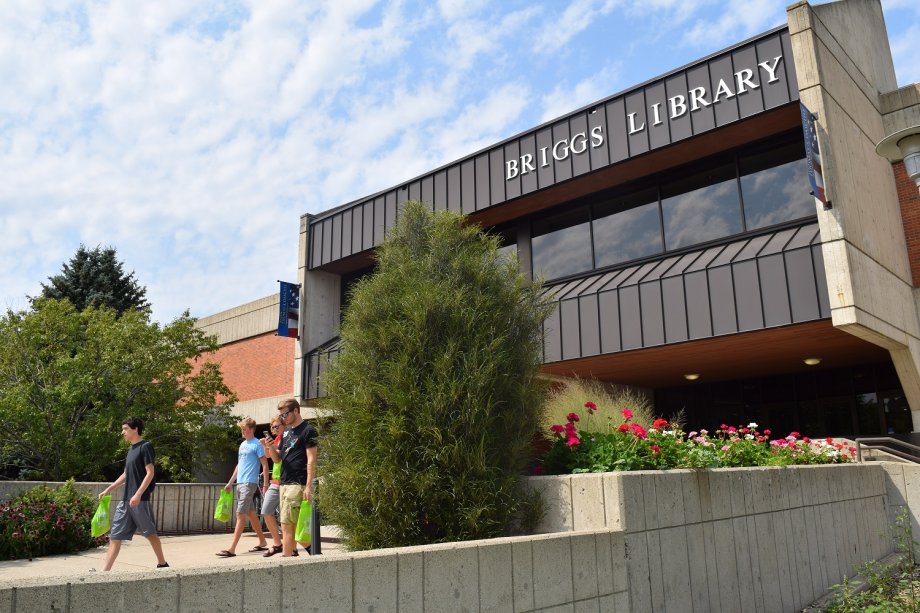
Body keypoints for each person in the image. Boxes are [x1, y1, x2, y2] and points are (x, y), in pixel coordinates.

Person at [98, 417, 169, 571]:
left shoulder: (146, 446)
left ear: (135, 429)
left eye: (125, 429)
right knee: (115, 536)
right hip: (125, 501)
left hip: (139, 500)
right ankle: (105, 571)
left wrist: (137, 494)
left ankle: (162, 563)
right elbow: (125, 474)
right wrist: (108, 489)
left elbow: (150, 472)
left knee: (150, 533)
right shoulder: (130, 450)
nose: (122, 432)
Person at [264, 398, 318, 557]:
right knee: (292, 528)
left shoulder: (308, 430)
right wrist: (271, 446)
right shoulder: (286, 431)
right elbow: (277, 458)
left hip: (297, 483)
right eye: (281, 415)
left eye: (285, 414)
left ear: (296, 411)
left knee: (287, 525)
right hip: (284, 483)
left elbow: (311, 459)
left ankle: (285, 562)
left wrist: (308, 486)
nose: (283, 418)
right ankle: (315, 553)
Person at [216, 417, 270, 557]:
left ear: (251, 429)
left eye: (244, 429)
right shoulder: (242, 444)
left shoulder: (257, 444)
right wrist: (230, 482)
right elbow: (239, 465)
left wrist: (265, 484)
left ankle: (231, 549)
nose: (242, 432)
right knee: (251, 513)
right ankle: (262, 541)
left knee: (240, 514)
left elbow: (265, 465)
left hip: (249, 483)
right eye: (241, 429)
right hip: (240, 483)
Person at [257, 416, 285, 557]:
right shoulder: (277, 440)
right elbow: (269, 456)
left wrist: (271, 446)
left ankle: (289, 546)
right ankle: (277, 543)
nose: (275, 429)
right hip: (276, 481)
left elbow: (277, 457)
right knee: (266, 511)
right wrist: (266, 445)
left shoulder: (287, 439)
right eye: (273, 427)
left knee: (287, 518)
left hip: (287, 482)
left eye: (277, 426)